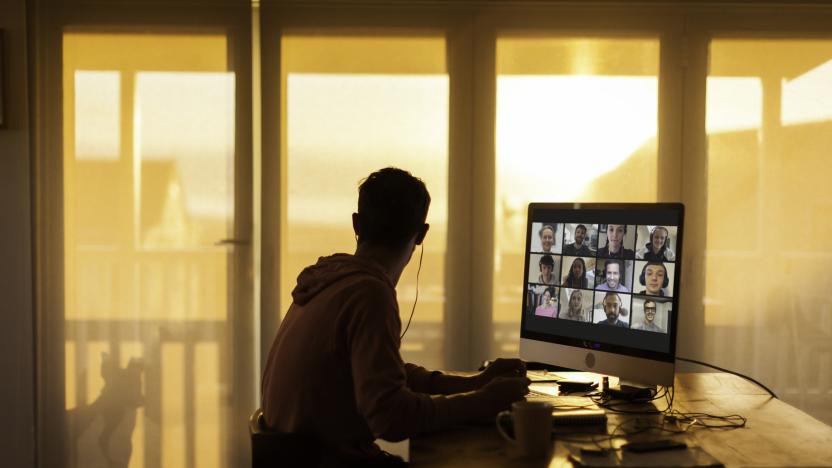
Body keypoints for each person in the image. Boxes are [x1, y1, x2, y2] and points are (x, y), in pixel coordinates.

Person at [261, 168, 529, 464]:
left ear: (357, 224)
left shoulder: (328, 281)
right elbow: (391, 417)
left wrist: (478, 382)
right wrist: (485, 401)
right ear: (421, 234)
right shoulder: (368, 294)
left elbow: (383, 374)